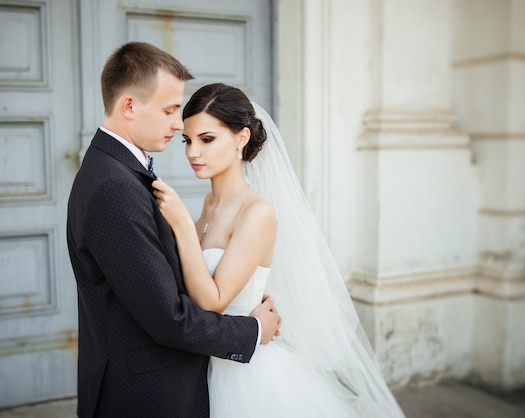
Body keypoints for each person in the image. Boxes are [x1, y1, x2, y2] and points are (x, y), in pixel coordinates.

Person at [152, 83, 406, 417]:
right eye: (187, 140)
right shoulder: (210, 203)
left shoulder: (257, 212)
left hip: (246, 375)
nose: (192, 153)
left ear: (241, 138)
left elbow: (214, 300)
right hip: (206, 359)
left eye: (207, 139)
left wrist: (182, 227)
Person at [66, 43, 281, 418]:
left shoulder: (118, 172)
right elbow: (169, 317)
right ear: (130, 106)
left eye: (205, 137)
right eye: (169, 111)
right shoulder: (114, 186)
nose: (179, 125)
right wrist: (252, 331)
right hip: (145, 394)